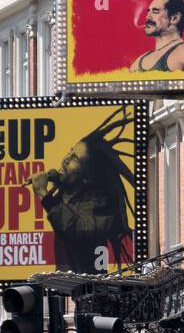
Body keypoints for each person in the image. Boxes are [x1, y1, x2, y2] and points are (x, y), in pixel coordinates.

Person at [29, 106, 136, 272]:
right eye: (70, 152)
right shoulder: (69, 194)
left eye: (75, 159)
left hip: (93, 287)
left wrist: (44, 195)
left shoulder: (102, 201)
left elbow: (79, 230)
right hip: (70, 287)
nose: (65, 159)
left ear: (87, 176)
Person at [130, 0, 184, 72]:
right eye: (148, 11)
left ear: (174, 18)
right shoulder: (140, 60)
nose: (147, 17)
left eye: (155, 11)